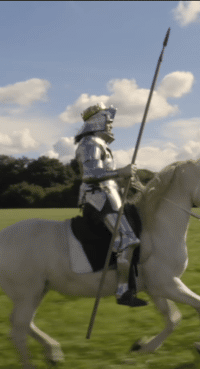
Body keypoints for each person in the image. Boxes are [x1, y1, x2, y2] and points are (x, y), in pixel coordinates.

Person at [74, 102, 147, 307]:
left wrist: (126, 180)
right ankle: (122, 291)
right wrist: (120, 172)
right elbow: (90, 174)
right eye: (108, 121)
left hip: (110, 195)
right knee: (127, 239)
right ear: (97, 121)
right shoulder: (90, 143)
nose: (111, 125)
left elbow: (107, 176)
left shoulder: (101, 145)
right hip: (97, 197)